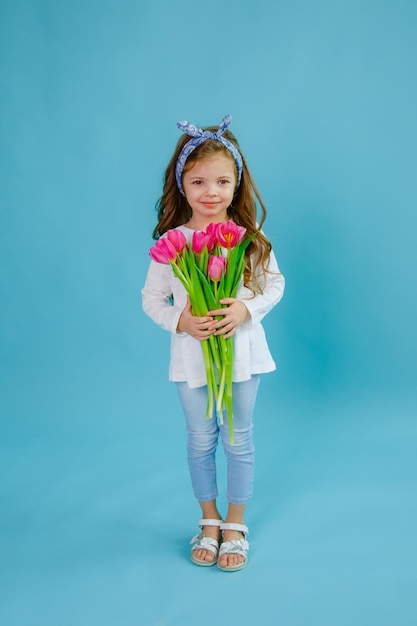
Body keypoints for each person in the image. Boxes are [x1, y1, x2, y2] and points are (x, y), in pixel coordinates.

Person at [142, 114, 285, 572]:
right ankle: (209, 519)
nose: (211, 191)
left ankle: (236, 524)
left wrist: (246, 309)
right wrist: (181, 321)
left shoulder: (250, 240)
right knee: (200, 438)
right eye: (198, 180)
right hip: (191, 362)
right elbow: (151, 300)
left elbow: (274, 284)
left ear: (236, 184)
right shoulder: (173, 243)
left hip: (241, 359)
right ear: (181, 184)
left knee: (239, 439)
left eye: (222, 181)